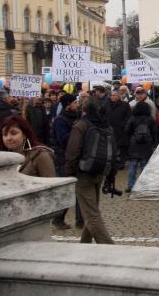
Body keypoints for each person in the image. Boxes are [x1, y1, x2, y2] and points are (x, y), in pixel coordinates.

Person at [65, 99, 116, 244]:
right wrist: (111, 176)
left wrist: (70, 173)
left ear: (84, 110)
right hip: (100, 172)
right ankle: (84, 245)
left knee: (92, 214)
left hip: (83, 174)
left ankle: (110, 247)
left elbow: (72, 151)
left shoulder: (81, 125)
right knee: (92, 211)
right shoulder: (106, 126)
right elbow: (114, 152)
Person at [52, 93, 82, 230]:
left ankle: (81, 220)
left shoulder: (76, 117)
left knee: (79, 190)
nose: (77, 105)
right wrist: (77, 131)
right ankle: (58, 219)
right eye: (75, 103)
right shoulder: (60, 120)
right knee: (67, 191)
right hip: (63, 158)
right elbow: (63, 139)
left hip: (76, 157)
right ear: (68, 105)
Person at [123, 100, 157, 194]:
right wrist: (154, 143)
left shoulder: (133, 118)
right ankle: (144, 186)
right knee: (144, 166)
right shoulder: (150, 119)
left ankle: (130, 186)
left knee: (133, 166)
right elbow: (154, 132)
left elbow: (127, 130)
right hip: (146, 145)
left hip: (134, 144)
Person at [104, 89, 131, 167]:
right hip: (110, 129)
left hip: (121, 130)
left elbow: (128, 116)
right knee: (111, 147)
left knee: (122, 147)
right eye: (111, 95)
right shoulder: (107, 104)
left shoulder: (125, 105)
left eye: (114, 95)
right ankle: (113, 162)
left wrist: (123, 125)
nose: (112, 97)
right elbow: (103, 114)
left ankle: (122, 163)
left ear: (119, 96)